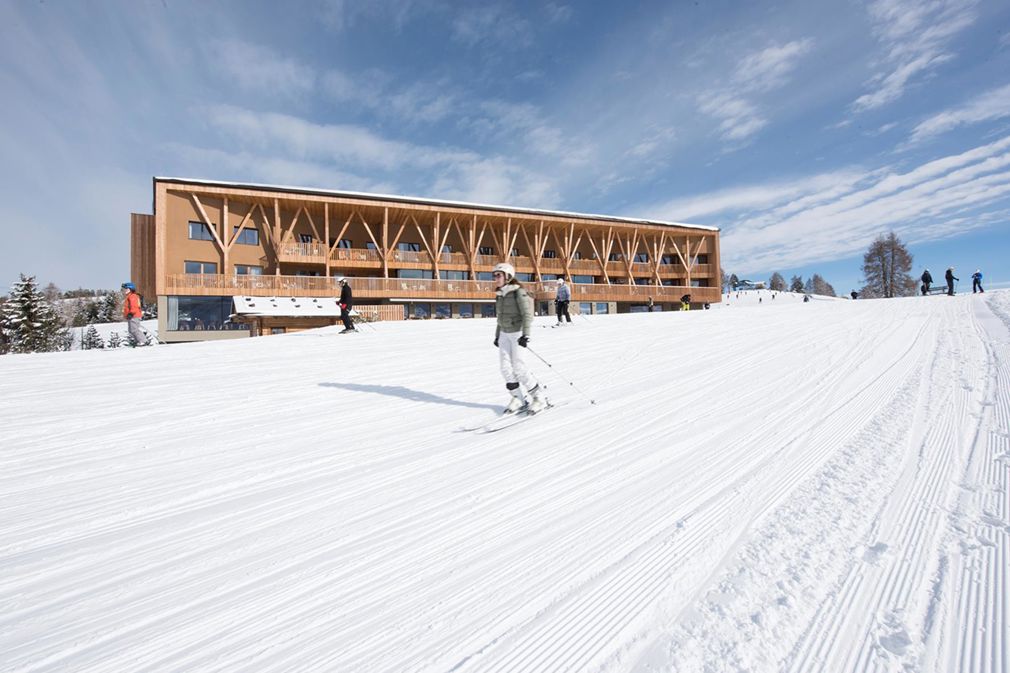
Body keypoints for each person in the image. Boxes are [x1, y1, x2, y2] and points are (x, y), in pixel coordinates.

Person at [492, 262, 546, 414]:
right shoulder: (500, 294)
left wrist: (526, 334)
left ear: (508, 276)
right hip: (504, 333)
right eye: (494, 275)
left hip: (517, 332)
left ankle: (538, 398)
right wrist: (497, 336)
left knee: (519, 367)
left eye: (498, 275)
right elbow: (499, 317)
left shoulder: (518, 292)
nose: (495, 278)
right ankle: (518, 397)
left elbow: (527, 315)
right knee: (505, 368)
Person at [121, 282, 147, 346]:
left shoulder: (133, 296)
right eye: (123, 289)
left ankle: (143, 341)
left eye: (125, 289)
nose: (124, 291)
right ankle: (138, 341)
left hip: (134, 315)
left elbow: (134, 306)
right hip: (131, 316)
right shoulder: (129, 296)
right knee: (131, 330)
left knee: (134, 330)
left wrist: (131, 313)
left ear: (130, 289)